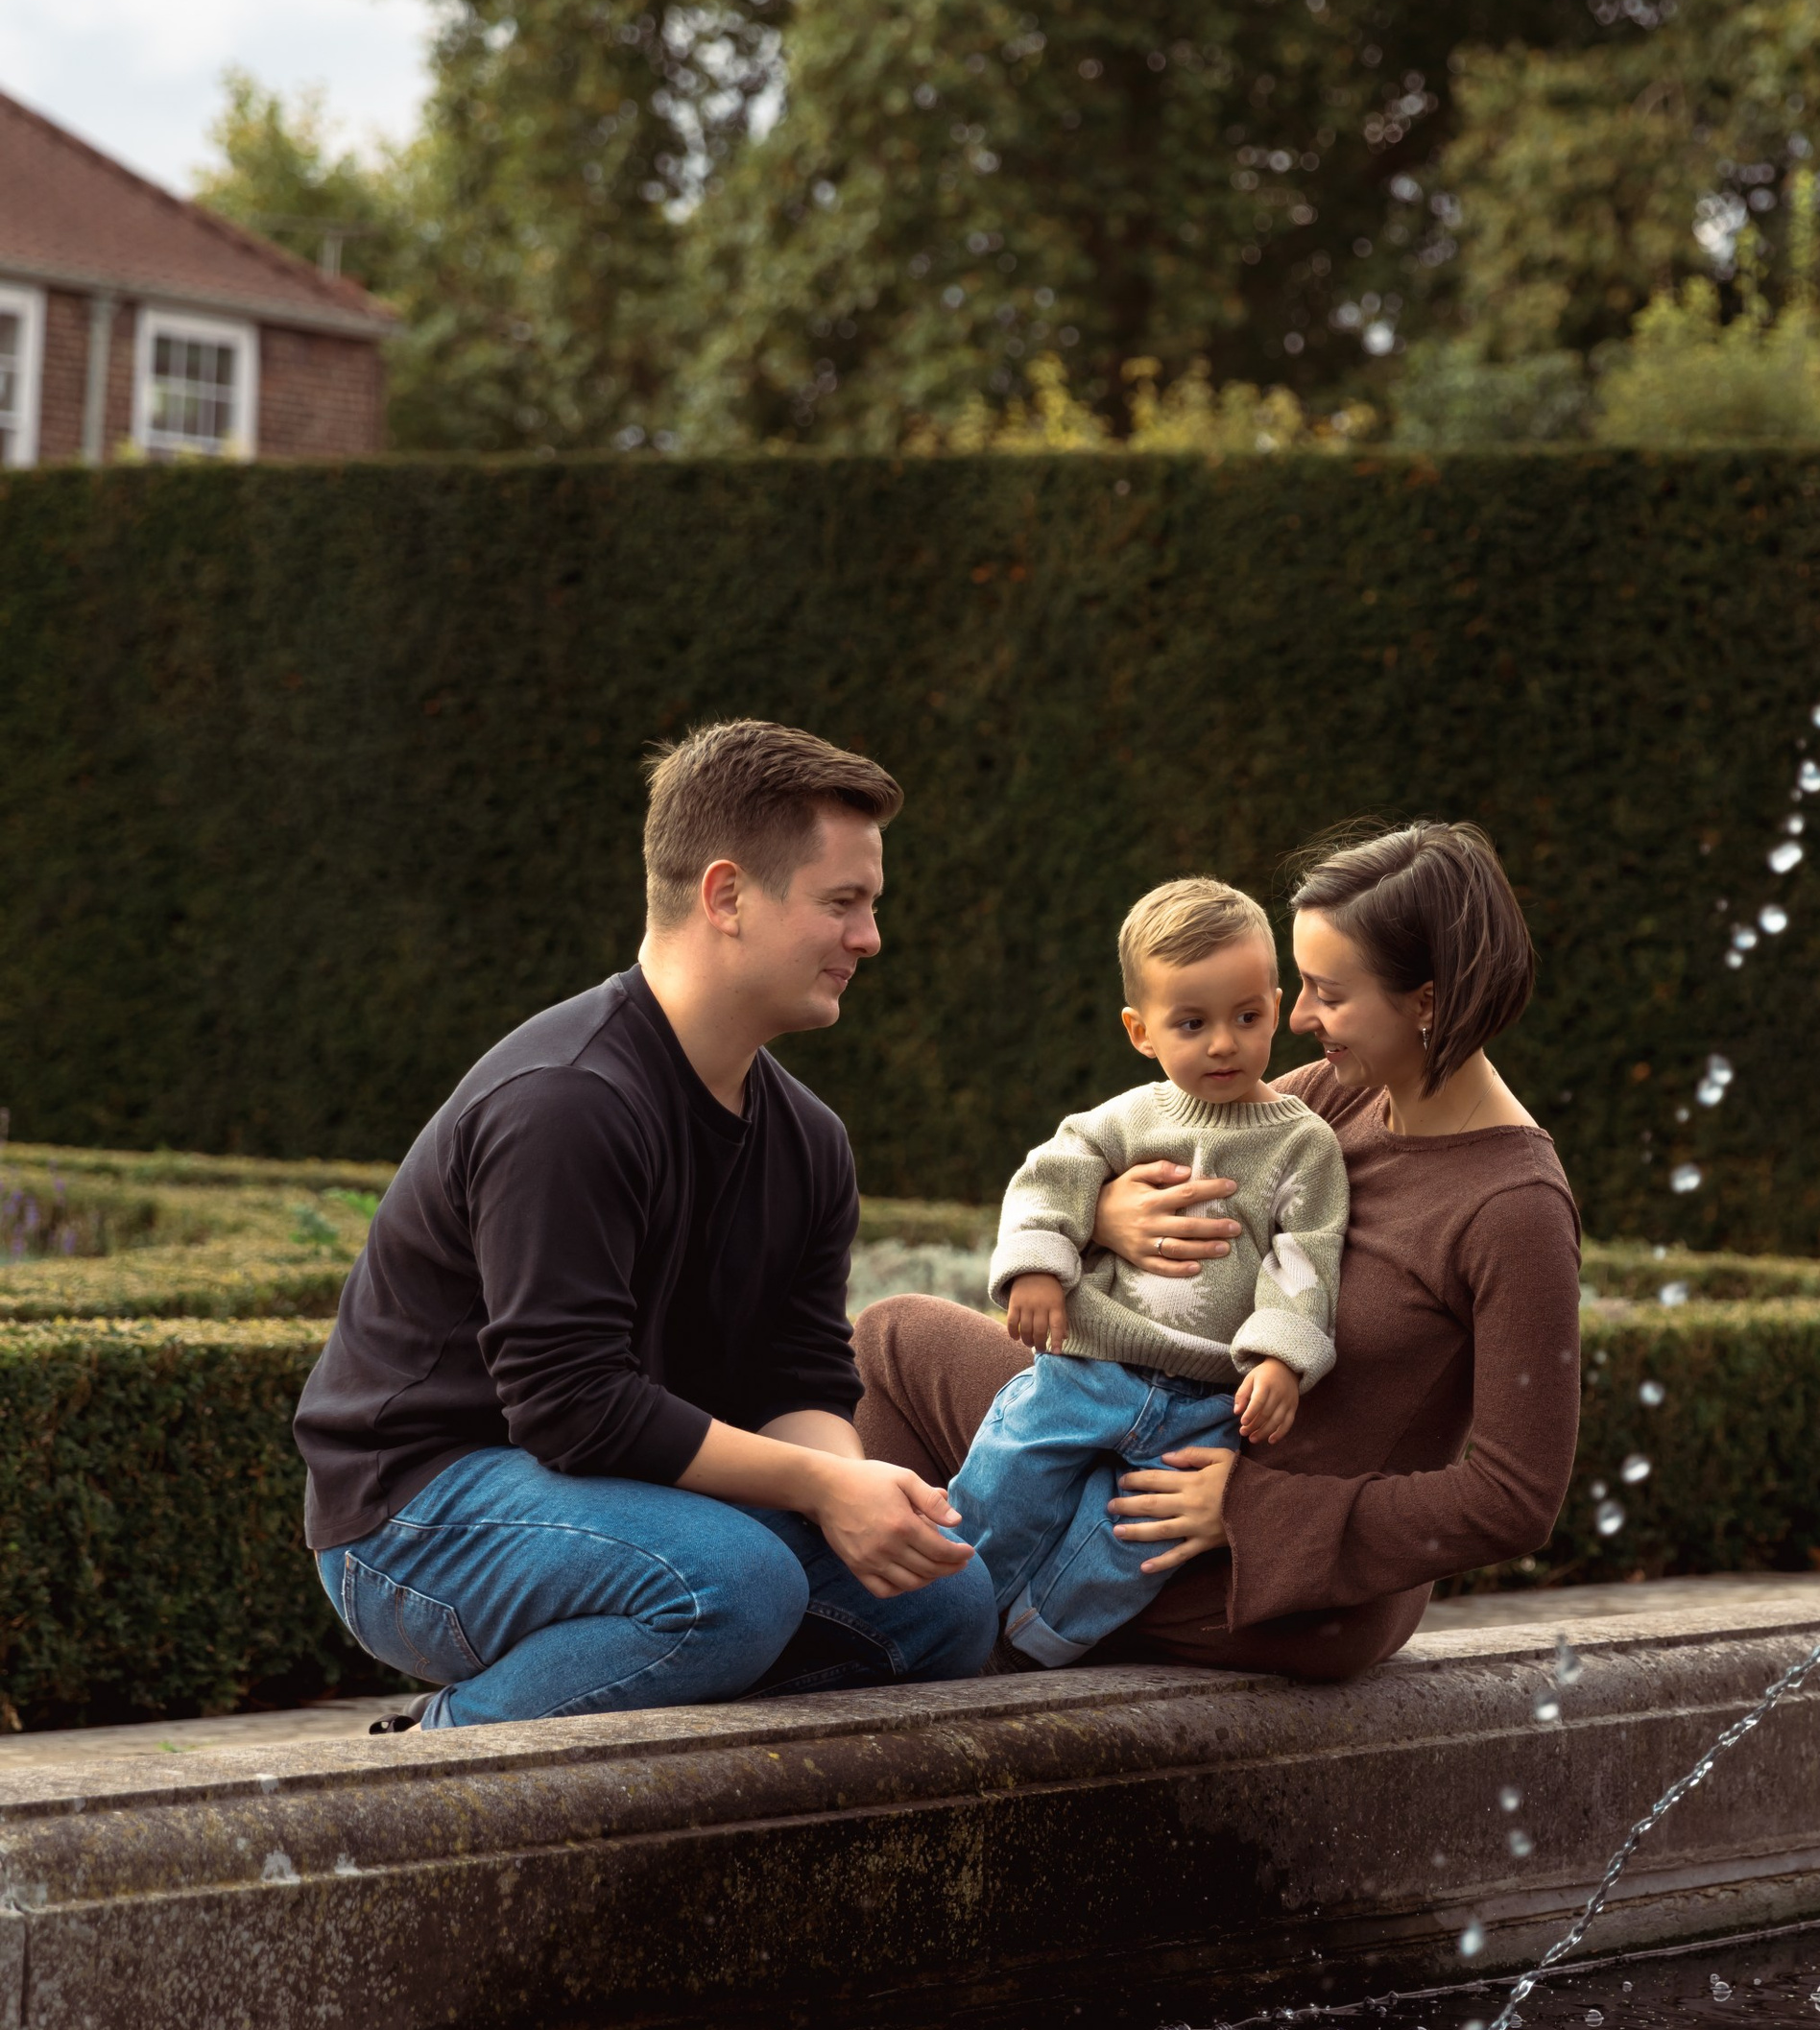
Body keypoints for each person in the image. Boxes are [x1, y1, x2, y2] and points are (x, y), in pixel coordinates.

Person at [293, 720, 997, 1727]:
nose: (870, 938)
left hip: (624, 1498)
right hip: (412, 1520)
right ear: (725, 896)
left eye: (871, 906)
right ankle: (438, 1759)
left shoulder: (809, 1141)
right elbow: (570, 1403)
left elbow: (797, 1379)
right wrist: (817, 1489)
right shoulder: (567, 1103)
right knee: (732, 1586)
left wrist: (861, 1498)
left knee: (943, 1604)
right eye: (843, 903)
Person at [857, 820, 1582, 1683]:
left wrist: (1246, 1507)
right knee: (893, 1336)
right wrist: (1104, 1218)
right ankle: (894, 1616)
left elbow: (1516, 1499)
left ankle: (902, 1645)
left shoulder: (1514, 1209)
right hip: (1144, 1451)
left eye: (1327, 992)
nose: (1300, 1016)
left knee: (989, 1489)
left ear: (1426, 1002)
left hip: (1276, 1582)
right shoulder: (1329, 1099)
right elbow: (1156, 1138)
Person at [954, 875, 1349, 1665]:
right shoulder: (1123, 1120)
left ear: (1275, 1005)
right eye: (1191, 1023)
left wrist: (1279, 1356)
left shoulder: (1303, 1144)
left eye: (1247, 1017)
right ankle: (944, 1614)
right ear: (1141, 1031)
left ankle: (1026, 1651)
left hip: (1204, 1402)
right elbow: (1048, 1178)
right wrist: (1038, 1268)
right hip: (1087, 1368)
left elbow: (1303, 1254)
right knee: (1007, 1477)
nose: (1223, 1044)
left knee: (1132, 1542)